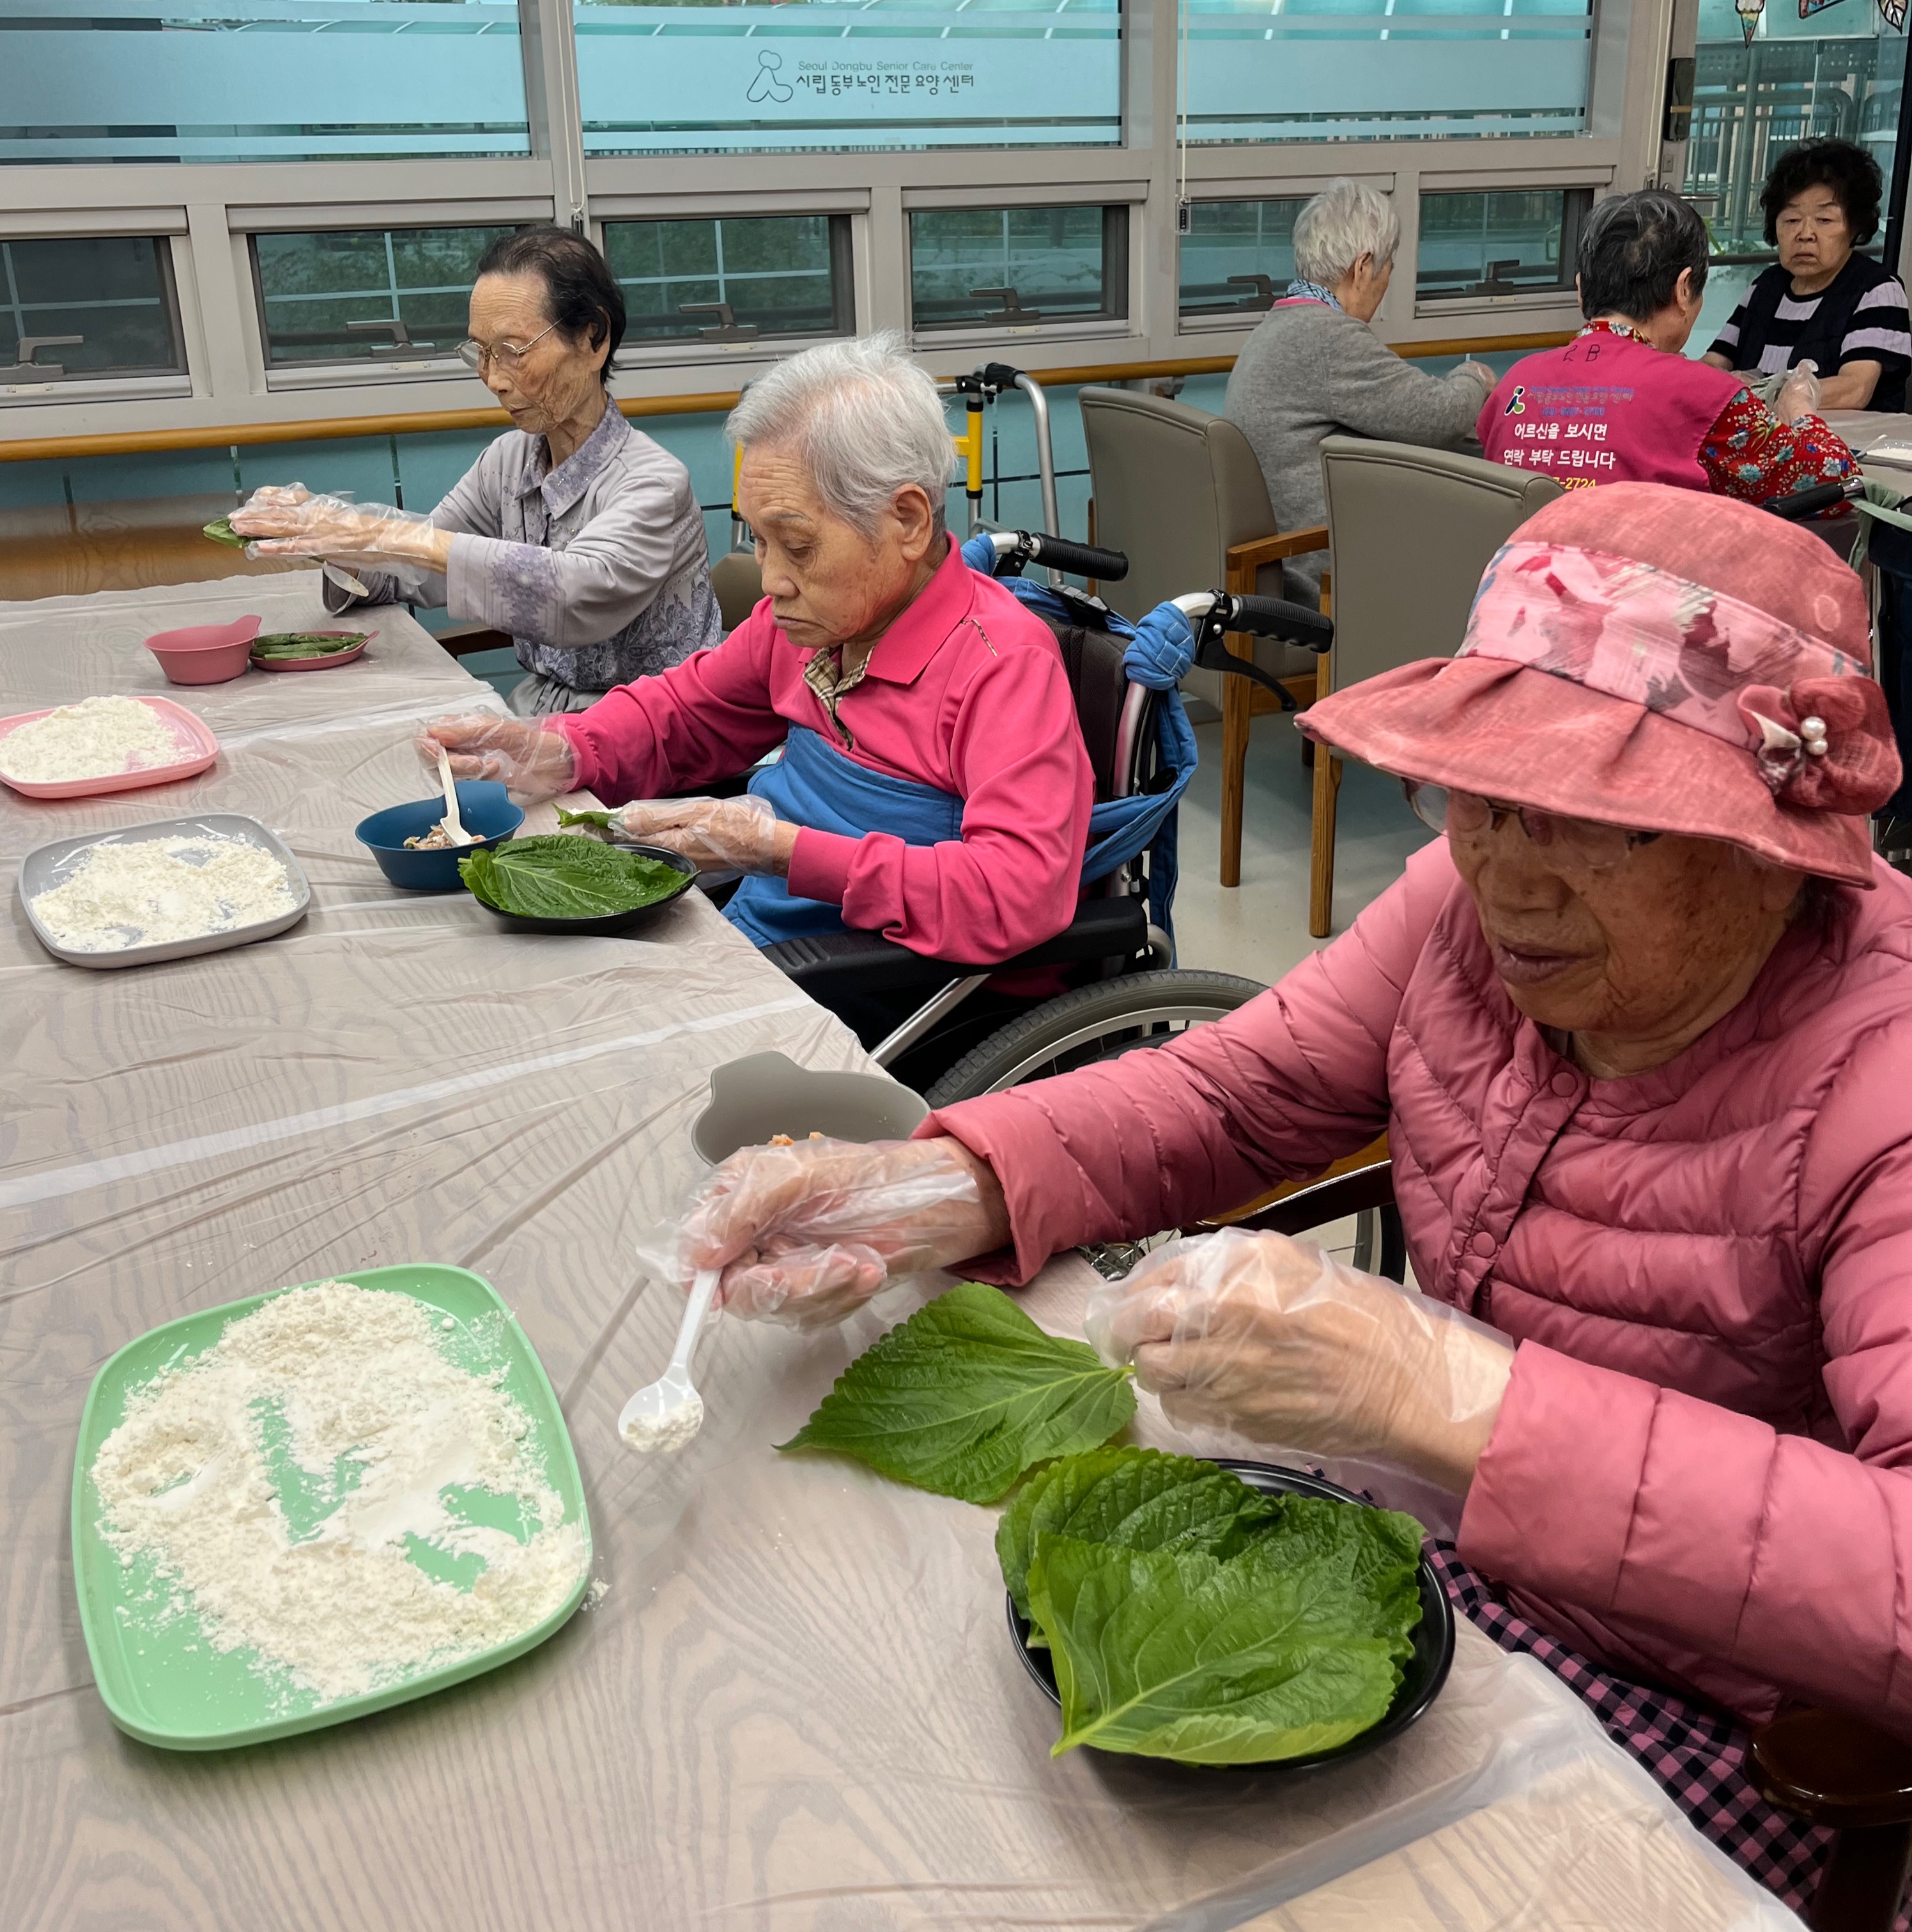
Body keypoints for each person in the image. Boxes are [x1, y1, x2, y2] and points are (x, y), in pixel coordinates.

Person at [667, 483, 1912, 1915]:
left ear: (1764, 843)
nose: (1502, 877)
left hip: (1715, 1706)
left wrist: (1444, 1390)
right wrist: (950, 1178)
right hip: (1439, 1552)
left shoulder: (1877, 1068)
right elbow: (1237, 1091)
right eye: (1473, 796)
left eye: (1586, 822)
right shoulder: (1461, 909)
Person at [418, 331, 1093, 992]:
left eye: (796, 547)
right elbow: (684, 714)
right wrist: (562, 750)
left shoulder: (1003, 666)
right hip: (770, 933)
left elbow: (1015, 894)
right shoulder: (808, 625)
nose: (770, 581)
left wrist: (779, 850)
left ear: (908, 522)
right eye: (759, 542)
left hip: (888, 982)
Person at [230, 226, 719, 715]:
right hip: (540, 717)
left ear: (593, 338)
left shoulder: (652, 483)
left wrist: (379, 532)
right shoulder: (507, 463)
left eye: (513, 351)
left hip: (652, 728)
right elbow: (416, 570)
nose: (494, 379)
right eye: (481, 352)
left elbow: (571, 597)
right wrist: (325, 533)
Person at [1478, 189, 1856, 507]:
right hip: (1640, 575)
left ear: (1581, 290)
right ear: (1684, 289)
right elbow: (1838, 485)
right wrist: (1798, 407)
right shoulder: (1704, 394)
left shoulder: (1516, 382)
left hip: (1516, 572)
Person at [1224, 178, 1497, 606]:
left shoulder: (1277, 326)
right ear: (1363, 267)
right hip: (1318, 583)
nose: (1386, 282)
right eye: (1388, 269)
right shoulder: (1327, 337)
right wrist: (1475, 376)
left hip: (1277, 569)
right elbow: (1440, 416)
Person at [1703, 137, 1911, 414]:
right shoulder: (1765, 287)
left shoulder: (1878, 290)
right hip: (1761, 435)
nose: (1805, 235)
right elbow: (1713, 363)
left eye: (1825, 220)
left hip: (1843, 439)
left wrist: (1761, 392)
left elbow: (1855, 389)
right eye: (1791, 220)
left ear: (1855, 227)